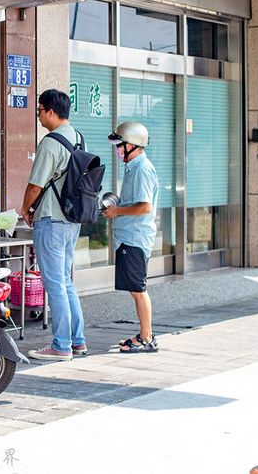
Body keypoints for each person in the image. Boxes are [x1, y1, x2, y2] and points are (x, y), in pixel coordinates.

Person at [20, 89, 87, 362]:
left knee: (55, 284)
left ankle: (61, 345)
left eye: (39, 110)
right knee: (66, 281)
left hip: (51, 219)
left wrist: (25, 208)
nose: (38, 116)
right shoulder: (78, 138)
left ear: (50, 111)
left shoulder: (51, 142)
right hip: (72, 220)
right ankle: (78, 340)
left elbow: (36, 184)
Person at [103, 121, 159, 353]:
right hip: (130, 237)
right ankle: (145, 335)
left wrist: (117, 211)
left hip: (135, 238)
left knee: (138, 289)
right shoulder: (133, 167)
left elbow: (145, 207)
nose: (117, 150)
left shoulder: (142, 169)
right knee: (136, 289)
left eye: (120, 145)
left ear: (133, 145)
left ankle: (146, 338)